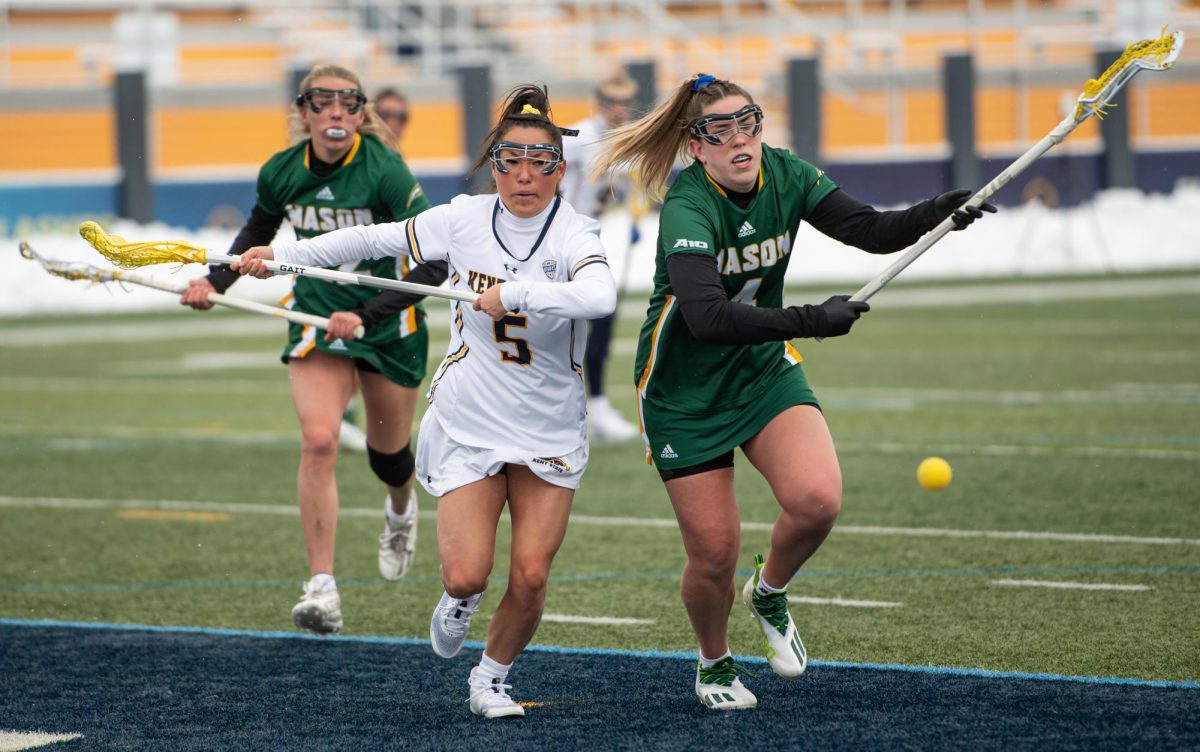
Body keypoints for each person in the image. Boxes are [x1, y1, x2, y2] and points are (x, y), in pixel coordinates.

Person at [591, 73, 994, 710]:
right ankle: (714, 663)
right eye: (718, 130)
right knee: (715, 554)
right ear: (695, 146)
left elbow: (870, 230)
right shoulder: (688, 206)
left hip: (761, 369)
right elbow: (709, 319)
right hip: (683, 391)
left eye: (747, 122)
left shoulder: (787, 173)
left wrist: (938, 209)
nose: (738, 139)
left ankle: (771, 590)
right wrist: (813, 319)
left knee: (816, 501)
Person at [232, 84, 617, 719]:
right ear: (493, 162)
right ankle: (459, 599)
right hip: (471, 415)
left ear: (559, 168)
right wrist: (284, 258)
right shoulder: (462, 217)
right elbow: (369, 241)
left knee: (530, 576)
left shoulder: (578, 233)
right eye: (510, 159)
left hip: (549, 424)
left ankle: (490, 679)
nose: (525, 175)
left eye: (541, 162)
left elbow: (599, 297)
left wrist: (518, 295)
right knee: (467, 574)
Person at [180, 63, 449, 635]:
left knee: (389, 457)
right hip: (314, 316)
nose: (334, 113)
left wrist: (367, 313)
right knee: (320, 439)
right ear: (303, 113)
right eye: (321, 103)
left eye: (347, 104)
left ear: (359, 114)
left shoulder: (385, 170)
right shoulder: (281, 171)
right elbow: (257, 233)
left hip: (388, 318)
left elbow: (436, 261)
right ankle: (322, 587)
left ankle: (401, 509)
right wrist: (214, 281)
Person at [559, 71, 643, 444]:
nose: (619, 110)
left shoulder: (621, 139)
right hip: (560, 241)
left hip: (590, 239)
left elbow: (627, 182)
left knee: (602, 317)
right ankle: (577, 406)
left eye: (625, 103)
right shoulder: (578, 137)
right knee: (567, 323)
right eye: (612, 102)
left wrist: (635, 213)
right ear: (599, 103)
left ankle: (596, 403)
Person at [337, 85, 413, 453]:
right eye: (387, 114)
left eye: (402, 116)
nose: (394, 123)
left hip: (384, 276)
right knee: (346, 338)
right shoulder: (358, 163)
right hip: (346, 270)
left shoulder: (394, 165)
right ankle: (343, 415)